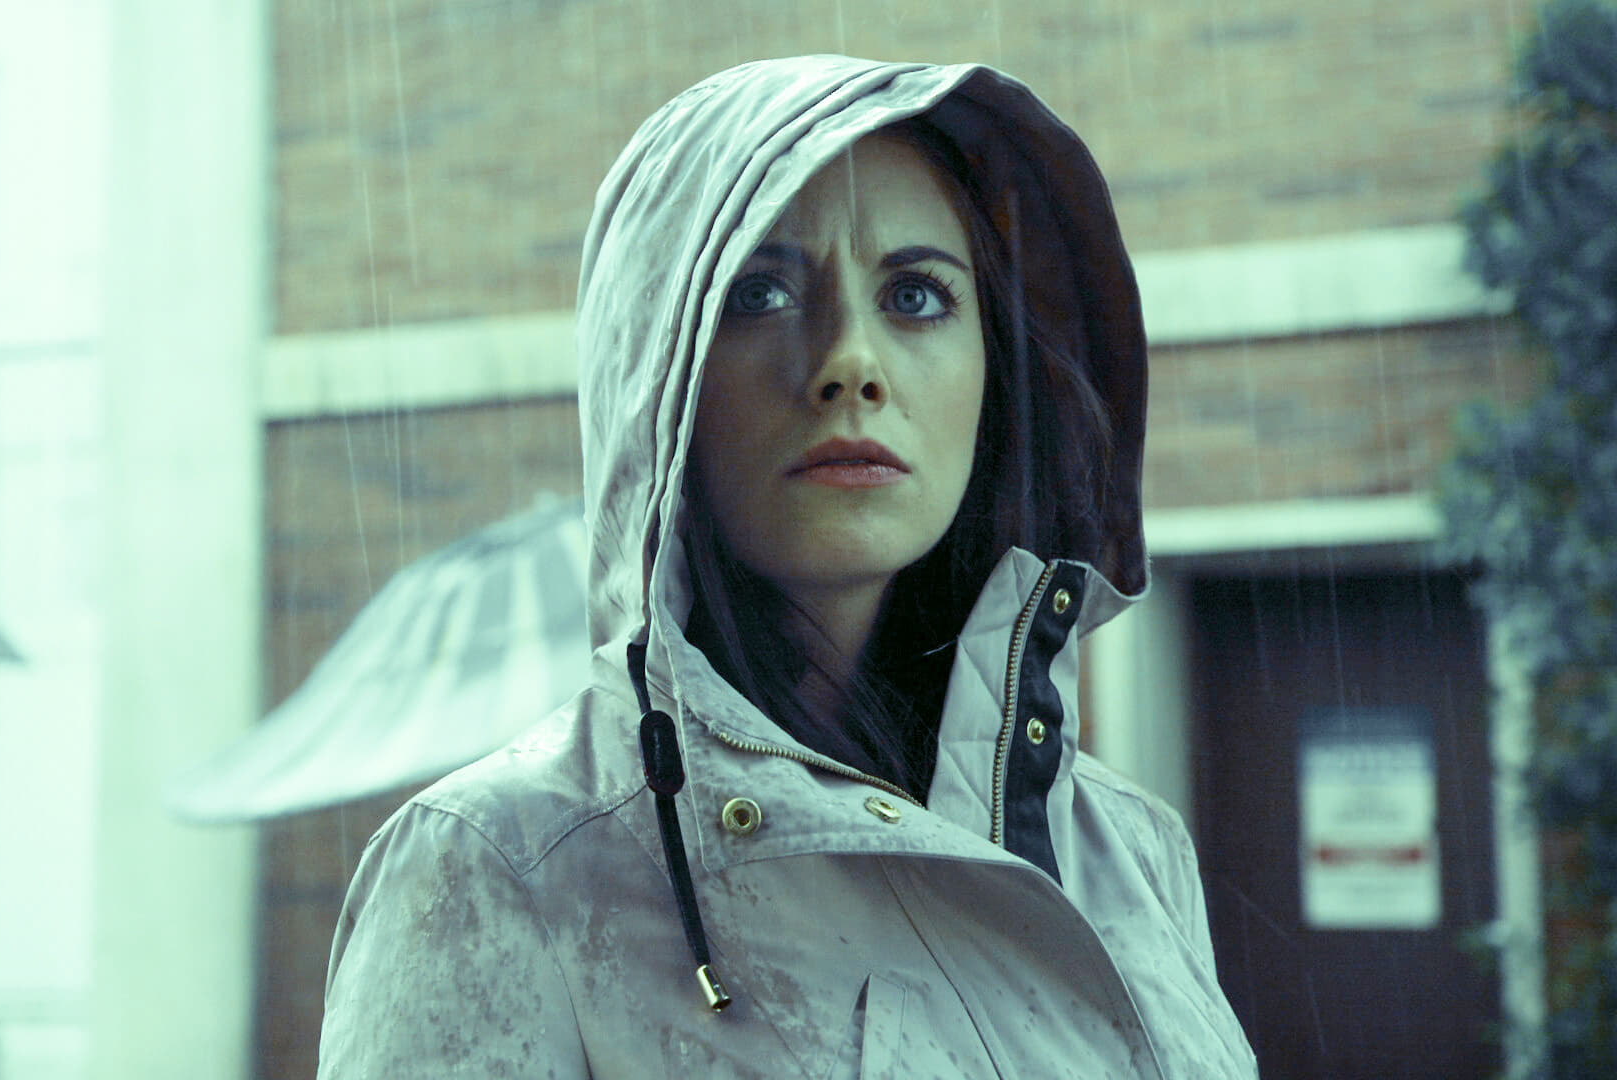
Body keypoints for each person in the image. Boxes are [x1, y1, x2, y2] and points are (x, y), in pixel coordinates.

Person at [317, 55, 1257, 1077]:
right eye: (759, 293)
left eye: (916, 295)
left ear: (996, 371)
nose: (851, 361)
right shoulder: (500, 865)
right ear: (656, 379)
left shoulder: (1133, 848)